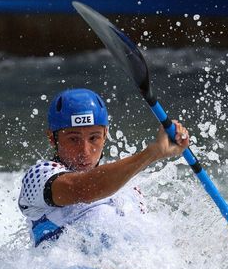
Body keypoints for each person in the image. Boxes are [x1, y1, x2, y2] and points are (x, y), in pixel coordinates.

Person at [18, 88, 190, 247]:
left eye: (94, 138)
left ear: (105, 135)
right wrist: (153, 153)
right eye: (73, 139)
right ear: (52, 138)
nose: (84, 151)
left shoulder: (128, 186)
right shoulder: (39, 176)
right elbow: (83, 189)